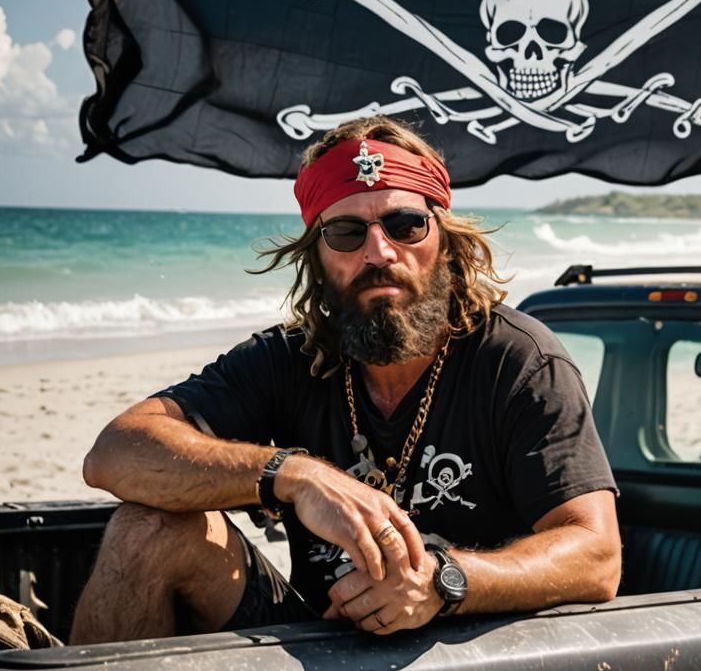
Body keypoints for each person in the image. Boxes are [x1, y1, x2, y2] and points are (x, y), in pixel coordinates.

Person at [69, 116, 621, 643]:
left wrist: (442, 582)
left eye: (406, 224)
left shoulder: (517, 361)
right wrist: (293, 476)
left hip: (470, 658)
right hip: (317, 646)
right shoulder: (290, 359)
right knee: (145, 531)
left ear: (444, 240)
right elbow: (114, 452)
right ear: (318, 258)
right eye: (347, 232)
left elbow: (597, 556)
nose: (379, 252)